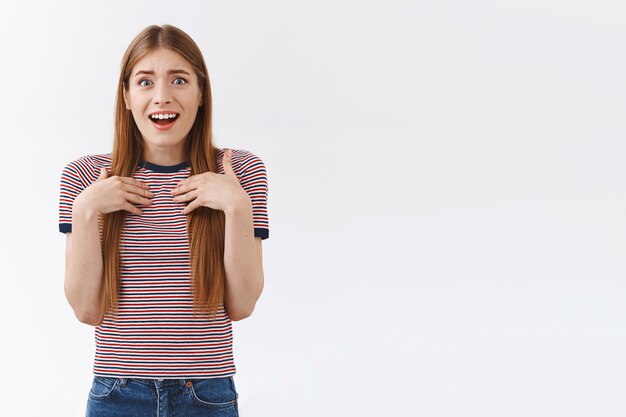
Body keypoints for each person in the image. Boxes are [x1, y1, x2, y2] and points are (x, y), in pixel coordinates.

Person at [58, 24, 269, 416]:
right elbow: (86, 311)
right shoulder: (85, 177)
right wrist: (86, 211)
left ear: (201, 92)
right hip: (116, 394)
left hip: (207, 394)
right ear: (125, 95)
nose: (162, 97)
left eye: (179, 80)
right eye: (145, 81)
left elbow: (241, 304)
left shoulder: (240, 171)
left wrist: (238, 206)